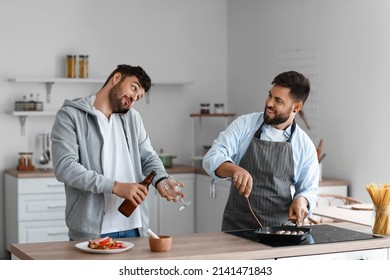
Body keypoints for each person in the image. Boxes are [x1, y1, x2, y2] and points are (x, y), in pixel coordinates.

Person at [51, 64, 181, 241]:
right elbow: (66, 168)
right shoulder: (71, 115)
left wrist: (163, 179)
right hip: (92, 231)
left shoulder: (133, 118)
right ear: (117, 78)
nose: (133, 98)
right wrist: (116, 187)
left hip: (135, 228)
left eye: (138, 96)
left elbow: (149, 157)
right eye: (133, 88)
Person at [202, 70, 319, 230]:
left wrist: (302, 200)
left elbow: (308, 188)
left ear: (296, 107)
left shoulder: (304, 145)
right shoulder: (244, 125)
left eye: (278, 100)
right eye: (270, 95)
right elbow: (212, 157)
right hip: (236, 228)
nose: (269, 103)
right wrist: (233, 169)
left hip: (279, 232)